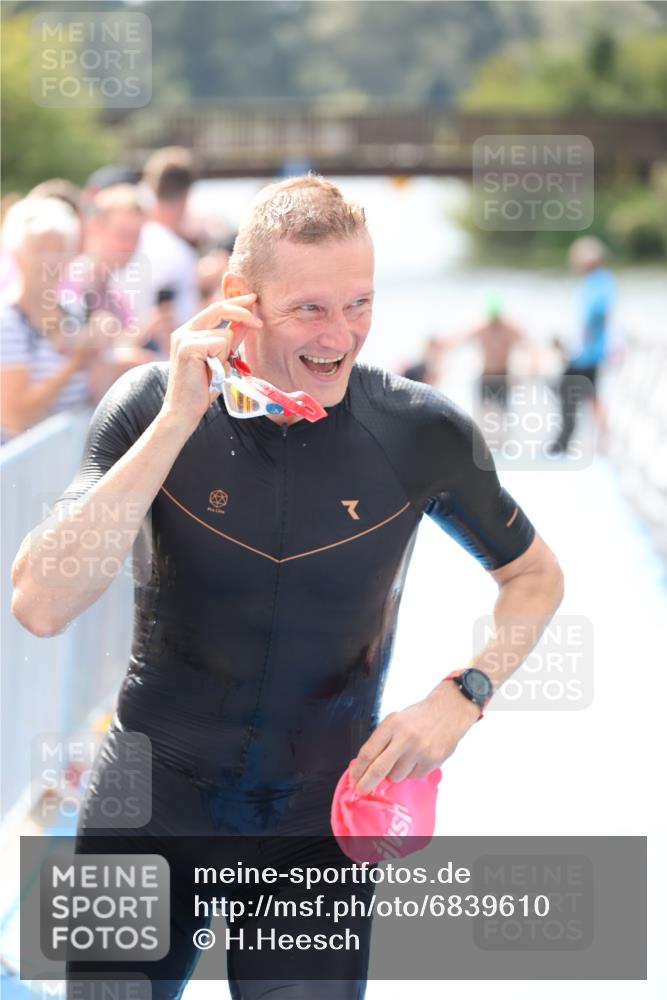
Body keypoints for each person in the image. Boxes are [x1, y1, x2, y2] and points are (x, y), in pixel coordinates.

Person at [11, 175, 564, 998]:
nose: (340, 336)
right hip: (149, 812)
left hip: (315, 828)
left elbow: (533, 577)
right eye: (309, 308)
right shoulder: (150, 407)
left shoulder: (418, 431)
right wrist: (175, 421)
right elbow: (40, 604)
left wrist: (462, 694)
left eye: (360, 304)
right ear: (239, 299)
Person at [0, 197, 110, 442]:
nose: (51, 261)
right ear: (18, 256)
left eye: (59, 250)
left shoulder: (74, 310)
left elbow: (98, 388)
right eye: (40, 250)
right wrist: (74, 363)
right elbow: (15, 417)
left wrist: (103, 346)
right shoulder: (8, 322)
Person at [548, 236, 615, 455]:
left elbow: (596, 317)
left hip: (586, 353)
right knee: (585, 394)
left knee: (574, 392)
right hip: (584, 351)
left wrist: (577, 343)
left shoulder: (599, 282)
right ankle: (592, 439)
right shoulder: (595, 282)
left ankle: (568, 440)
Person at [120, 146, 199, 328]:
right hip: (163, 354)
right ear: (187, 194)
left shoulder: (130, 241)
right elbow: (176, 322)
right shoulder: (180, 254)